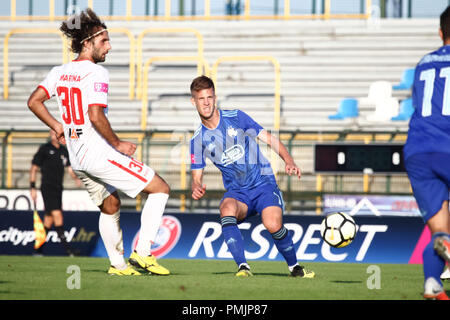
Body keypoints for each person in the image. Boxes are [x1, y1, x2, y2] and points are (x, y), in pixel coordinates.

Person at [27, 8, 171, 276]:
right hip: (98, 153)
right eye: (104, 41)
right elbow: (95, 114)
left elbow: (33, 101)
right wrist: (117, 143)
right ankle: (143, 253)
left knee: (110, 205)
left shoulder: (60, 71)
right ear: (87, 43)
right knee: (160, 188)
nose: (109, 46)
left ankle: (118, 265)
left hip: (78, 157)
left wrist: (57, 125)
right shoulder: (96, 73)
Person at [189, 75, 315, 278]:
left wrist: (288, 160)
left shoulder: (236, 117)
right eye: (201, 99)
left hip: (264, 184)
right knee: (226, 209)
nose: (206, 103)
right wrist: (196, 185)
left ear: (215, 97)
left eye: (210, 97)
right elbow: (197, 172)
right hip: (238, 193)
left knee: (272, 224)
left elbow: (268, 138)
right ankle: (243, 267)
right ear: (193, 101)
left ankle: (295, 267)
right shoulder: (197, 140)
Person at [403, 6, 450, 300]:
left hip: (417, 149)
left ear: (440, 32)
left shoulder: (423, 62)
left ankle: (433, 283)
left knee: (440, 229)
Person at [30, 129, 82, 256]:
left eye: (57, 133)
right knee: (58, 216)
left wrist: (76, 178)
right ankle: (69, 251)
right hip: (47, 187)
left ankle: (38, 250)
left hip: (58, 188)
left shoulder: (63, 151)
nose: (55, 135)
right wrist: (32, 187)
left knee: (48, 220)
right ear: (50, 134)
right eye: (52, 133)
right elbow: (34, 167)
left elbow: (69, 168)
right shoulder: (45, 149)